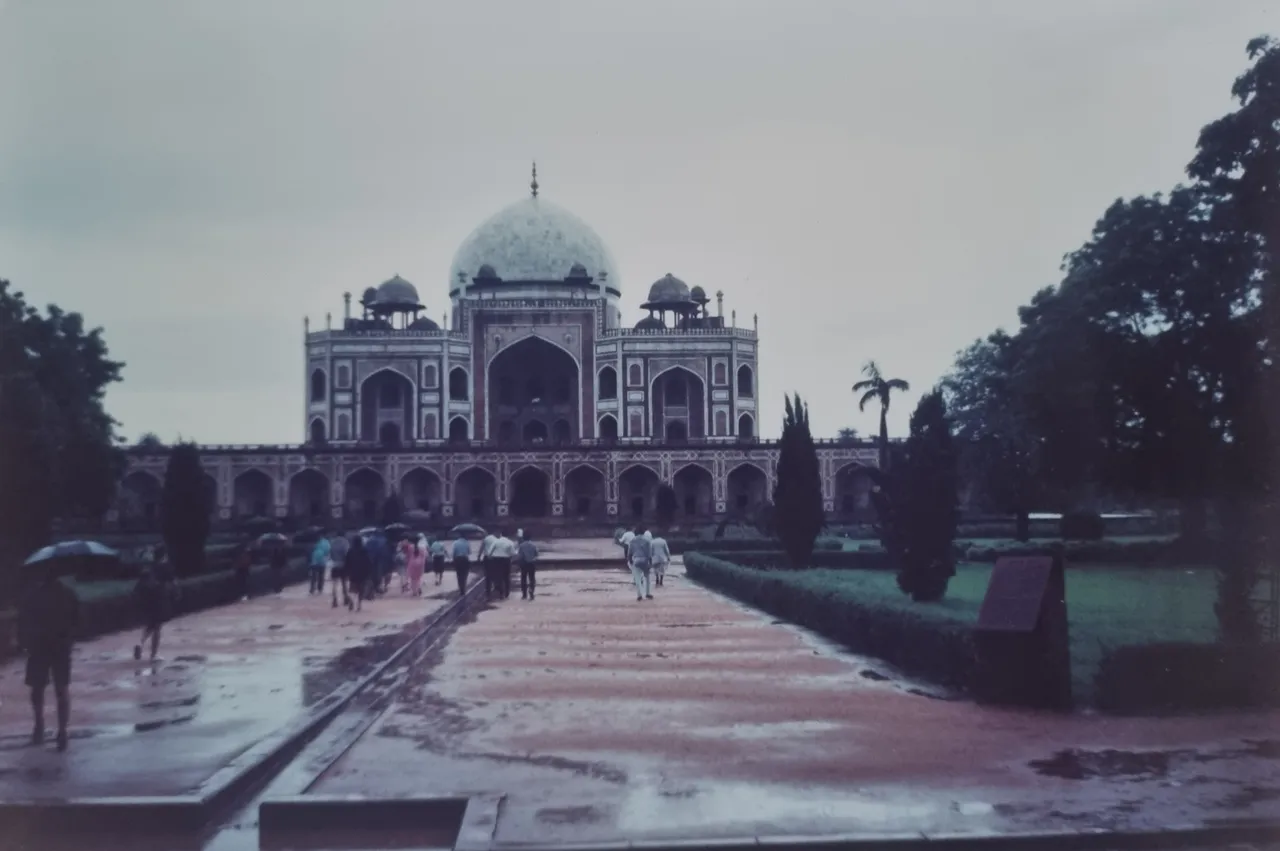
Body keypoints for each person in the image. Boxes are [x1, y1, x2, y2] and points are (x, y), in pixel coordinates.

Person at [18, 569, 80, 751]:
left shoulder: (33, 596)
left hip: (39, 646)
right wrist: (70, 638)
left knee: (37, 688)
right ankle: (62, 731)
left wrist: (24, 642)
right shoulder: (68, 594)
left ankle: (39, 725)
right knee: (62, 689)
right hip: (61, 646)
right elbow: (78, 620)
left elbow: (24, 621)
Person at [133, 566, 173, 661]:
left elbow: (135, 595)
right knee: (156, 630)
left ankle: (140, 643)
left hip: (146, 609)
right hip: (156, 609)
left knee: (150, 627)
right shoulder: (155, 585)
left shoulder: (140, 585)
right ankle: (153, 654)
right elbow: (163, 594)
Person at [345, 535, 373, 612]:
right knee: (361, 590)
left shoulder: (350, 550)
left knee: (352, 590)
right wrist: (369, 572)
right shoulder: (364, 550)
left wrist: (347, 572)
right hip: (362, 573)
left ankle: (351, 600)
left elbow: (347, 562)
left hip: (353, 573)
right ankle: (359, 605)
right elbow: (368, 562)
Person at [626, 525, 653, 601]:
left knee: (637, 579)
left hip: (636, 560)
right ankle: (647, 593)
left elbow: (630, 552)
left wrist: (630, 560)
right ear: (644, 532)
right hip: (645, 560)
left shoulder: (633, 540)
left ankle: (639, 595)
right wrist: (650, 562)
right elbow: (649, 552)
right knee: (647, 578)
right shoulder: (647, 540)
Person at [491, 531, 517, 599]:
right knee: (506, 576)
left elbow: (490, 552)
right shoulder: (510, 542)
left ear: (501, 534)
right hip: (506, 560)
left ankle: (500, 592)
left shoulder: (496, 541)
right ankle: (507, 592)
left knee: (498, 576)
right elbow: (513, 553)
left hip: (496, 560)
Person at [329, 531, 351, 609]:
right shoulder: (345, 542)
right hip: (343, 564)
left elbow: (330, 553)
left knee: (335, 583)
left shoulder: (332, 542)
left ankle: (334, 599)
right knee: (344, 583)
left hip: (334, 564)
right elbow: (347, 553)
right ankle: (345, 598)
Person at [516, 533, 539, 601]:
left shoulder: (521, 545)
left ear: (523, 538)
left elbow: (520, 555)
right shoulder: (533, 545)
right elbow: (537, 554)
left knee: (523, 578)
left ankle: (524, 594)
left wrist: (518, 562)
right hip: (532, 563)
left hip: (524, 563)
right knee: (532, 578)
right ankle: (531, 589)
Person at [480, 532, 499, 599]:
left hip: (486, 558)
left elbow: (481, 548)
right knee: (494, 573)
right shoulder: (496, 539)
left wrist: (479, 557)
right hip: (494, 558)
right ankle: (495, 586)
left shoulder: (485, 539)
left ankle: (488, 590)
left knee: (487, 574)